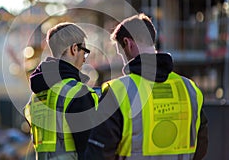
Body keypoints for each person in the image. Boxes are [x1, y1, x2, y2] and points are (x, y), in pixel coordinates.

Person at [85, 13, 208, 160]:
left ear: (128, 43)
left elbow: (99, 154)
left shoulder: (118, 91)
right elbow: (201, 146)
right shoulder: (189, 89)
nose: (123, 60)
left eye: (121, 53)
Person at [24, 22, 99, 160]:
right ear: (74, 49)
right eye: (85, 52)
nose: (84, 59)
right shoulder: (77, 93)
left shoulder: (35, 97)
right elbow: (89, 150)